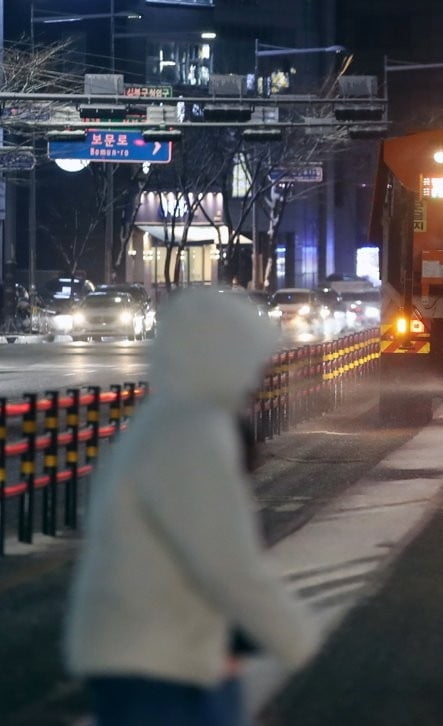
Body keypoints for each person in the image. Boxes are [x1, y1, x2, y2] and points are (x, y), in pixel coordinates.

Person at [64, 288, 320, 726]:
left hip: (157, 649)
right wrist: (294, 638)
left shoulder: (165, 418)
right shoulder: (192, 431)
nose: (256, 374)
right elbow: (225, 557)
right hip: (158, 665)